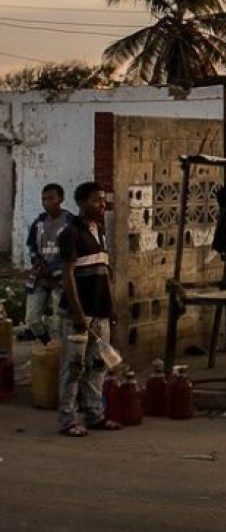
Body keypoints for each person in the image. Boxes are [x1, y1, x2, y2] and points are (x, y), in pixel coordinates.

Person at [57, 181, 120, 437]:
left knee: (97, 364)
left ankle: (95, 415)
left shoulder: (100, 231)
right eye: (96, 201)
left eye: (103, 200)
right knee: (74, 366)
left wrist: (111, 307)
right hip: (79, 314)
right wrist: (77, 312)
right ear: (82, 203)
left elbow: (105, 272)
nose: (101, 205)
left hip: (100, 311)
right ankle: (68, 419)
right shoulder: (70, 233)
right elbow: (68, 275)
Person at [25, 182, 69, 344]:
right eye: (43, 199)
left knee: (59, 321)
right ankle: (47, 344)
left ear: (61, 199)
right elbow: (32, 247)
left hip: (61, 279)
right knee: (32, 318)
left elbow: (72, 253)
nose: (46, 203)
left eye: (51, 198)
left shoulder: (69, 222)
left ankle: (57, 354)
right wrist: (37, 261)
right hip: (40, 276)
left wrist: (55, 271)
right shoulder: (39, 223)